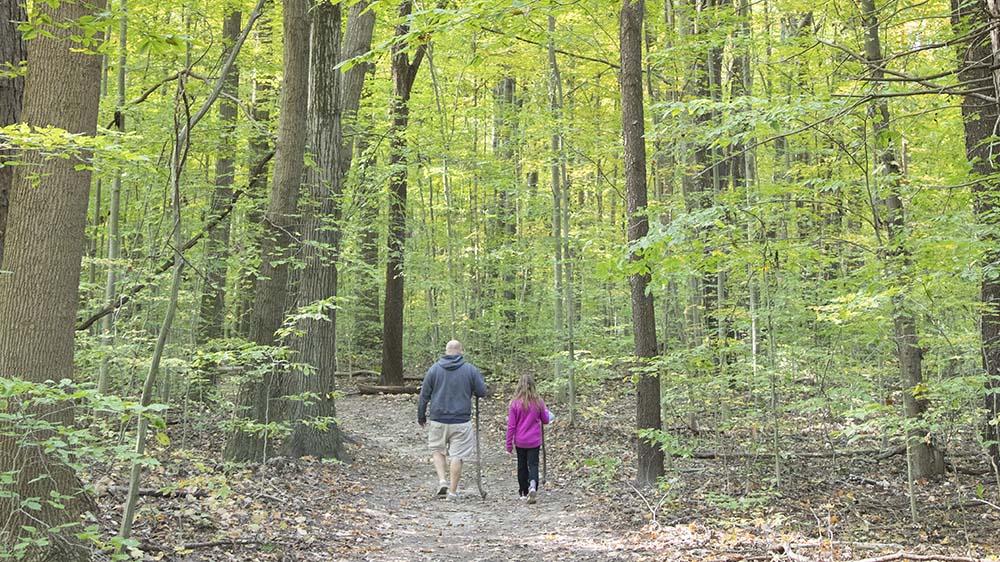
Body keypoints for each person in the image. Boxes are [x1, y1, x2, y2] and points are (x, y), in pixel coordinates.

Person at [417, 340, 488, 500]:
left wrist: (421, 415)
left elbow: (424, 395)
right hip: (461, 420)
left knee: (437, 450)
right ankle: (453, 492)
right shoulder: (469, 369)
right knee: (457, 455)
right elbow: (482, 391)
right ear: (460, 351)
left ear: (446, 351)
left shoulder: (434, 369)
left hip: (438, 419)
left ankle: (442, 480)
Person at [505, 374, 553, 505]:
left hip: (520, 441)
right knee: (533, 464)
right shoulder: (538, 402)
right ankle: (533, 485)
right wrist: (548, 414)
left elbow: (511, 426)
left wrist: (508, 445)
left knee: (522, 465)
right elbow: (545, 420)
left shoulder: (515, 403)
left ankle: (523, 491)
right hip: (534, 441)